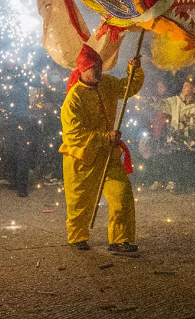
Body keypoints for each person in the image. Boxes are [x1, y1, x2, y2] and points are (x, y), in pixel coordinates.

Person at [60, 45, 143, 252]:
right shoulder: (74, 98)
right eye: (93, 68)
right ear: (82, 70)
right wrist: (105, 137)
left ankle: (120, 239)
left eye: (99, 66)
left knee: (122, 194)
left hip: (107, 154)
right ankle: (78, 236)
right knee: (80, 202)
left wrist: (134, 70)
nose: (97, 71)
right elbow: (74, 135)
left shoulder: (108, 83)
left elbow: (128, 87)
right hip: (82, 157)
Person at [161, 80, 195, 190]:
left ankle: (191, 185)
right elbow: (163, 104)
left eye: (187, 86)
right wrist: (151, 101)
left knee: (189, 163)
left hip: (190, 141)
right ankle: (178, 184)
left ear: (194, 90)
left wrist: (190, 120)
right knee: (176, 162)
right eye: (184, 86)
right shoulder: (175, 101)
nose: (184, 88)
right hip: (176, 140)